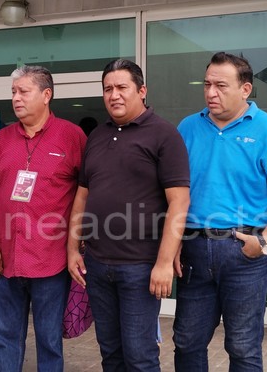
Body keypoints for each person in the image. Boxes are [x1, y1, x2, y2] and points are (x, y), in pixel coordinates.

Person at [173, 52, 267, 371]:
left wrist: (266, 242)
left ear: (245, 89)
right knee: (187, 342)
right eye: (207, 84)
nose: (210, 92)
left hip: (245, 252)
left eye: (220, 85)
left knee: (243, 346)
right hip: (193, 250)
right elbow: (174, 192)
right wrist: (172, 242)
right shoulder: (188, 127)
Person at [67, 59, 190, 371]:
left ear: (142, 91)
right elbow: (82, 197)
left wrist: (164, 262)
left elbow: (179, 202)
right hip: (97, 264)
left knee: (140, 356)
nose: (114, 95)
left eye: (122, 87)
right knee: (110, 353)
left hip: (141, 267)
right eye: (108, 89)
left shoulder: (164, 135)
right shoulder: (97, 136)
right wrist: (72, 249)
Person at [0, 65, 86, 372]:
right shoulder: (2, 139)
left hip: (51, 259)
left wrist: (76, 245)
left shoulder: (71, 136)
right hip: (5, 259)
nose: (16, 98)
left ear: (46, 95)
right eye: (13, 92)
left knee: (49, 341)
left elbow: (85, 193)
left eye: (24, 91)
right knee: (5, 338)